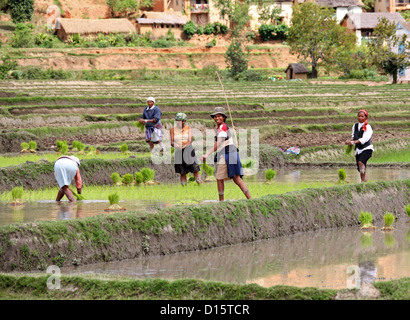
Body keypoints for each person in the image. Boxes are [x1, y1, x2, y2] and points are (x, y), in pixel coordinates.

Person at [202, 107, 252, 201]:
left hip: (227, 154)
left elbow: (219, 142)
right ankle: (250, 199)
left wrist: (207, 154)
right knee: (236, 178)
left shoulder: (222, 127)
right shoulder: (221, 127)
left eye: (219, 116)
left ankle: (221, 202)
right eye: (215, 116)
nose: (217, 118)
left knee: (220, 177)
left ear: (224, 117)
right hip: (231, 153)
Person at [170, 113, 202, 185]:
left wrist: (185, 146)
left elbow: (190, 140)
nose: (179, 123)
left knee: (195, 169)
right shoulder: (172, 130)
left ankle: (199, 183)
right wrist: (175, 144)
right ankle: (184, 187)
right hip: (178, 150)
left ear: (184, 121)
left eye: (181, 121)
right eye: (178, 121)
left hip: (188, 150)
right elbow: (171, 141)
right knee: (182, 171)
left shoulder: (188, 128)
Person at [345, 109, 374, 183]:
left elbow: (364, 140)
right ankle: (364, 180)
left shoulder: (368, 127)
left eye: (362, 116)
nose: (360, 118)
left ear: (366, 117)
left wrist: (353, 142)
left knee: (361, 162)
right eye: (359, 116)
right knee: (360, 168)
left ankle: (363, 182)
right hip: (358, 150)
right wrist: (349, 141)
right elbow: (353, 136)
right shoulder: (355, 126)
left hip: (367, 149)